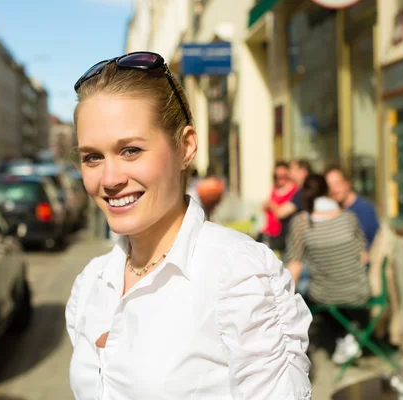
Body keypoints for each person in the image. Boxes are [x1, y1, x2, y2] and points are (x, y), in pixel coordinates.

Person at [66, 51, 312, 399]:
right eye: (92, 157)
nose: (109, 179)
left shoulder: (238, 278)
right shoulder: (91, 283)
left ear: (185, 147)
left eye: (131, 150)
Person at [284, 173, 370, 365]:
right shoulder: (349, 217)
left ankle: (341, 337)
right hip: (359, 291)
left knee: (305, 281)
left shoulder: (301, 223)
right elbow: (364, 256)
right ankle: (348, 335)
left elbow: (295, 265)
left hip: (326, 294)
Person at [324, 165, 380, 249]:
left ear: (347, 184)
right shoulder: (331, 209)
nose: (333, 189)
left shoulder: (364, 208)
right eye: (329, 186)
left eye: (337, 183)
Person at [258, 161, 298, 254]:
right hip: (270, 232)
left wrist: (272, 205)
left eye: (283, 176)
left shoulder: (294, 190)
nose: (280, 179)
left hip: (283, 235)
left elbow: (283, 212)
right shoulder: (275, 189)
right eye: (277, 177)